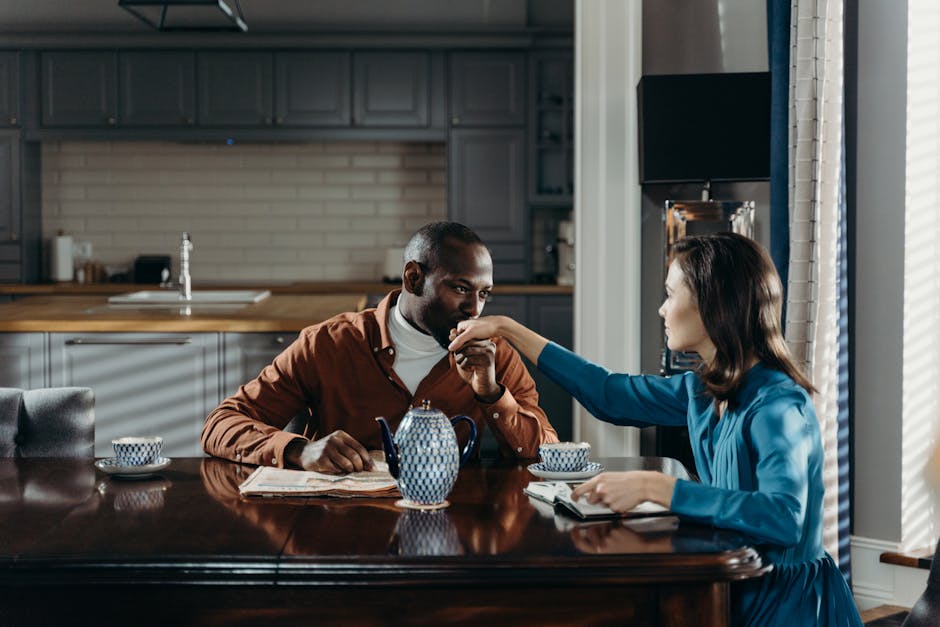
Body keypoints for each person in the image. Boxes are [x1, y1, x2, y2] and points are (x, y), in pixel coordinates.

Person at [448, 232, 863, 626]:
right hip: (732, 584)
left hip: (789, 604)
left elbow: (784, 517)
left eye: (670, 294)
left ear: (713, 304)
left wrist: (660, 488)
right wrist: (506, 329)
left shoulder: (778, 405)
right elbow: (608, 394)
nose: (663, 309)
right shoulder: (702, 390)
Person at [202, 221, 558, 473]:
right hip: (340, 533)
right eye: (461, 289)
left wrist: (491, 392)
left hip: (455, 532)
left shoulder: (495, 354)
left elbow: (546, 453)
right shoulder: (327, 344)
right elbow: (220, 424)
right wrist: (298, 450)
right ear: (413, 278)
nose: (475, 309)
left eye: (483, 294)